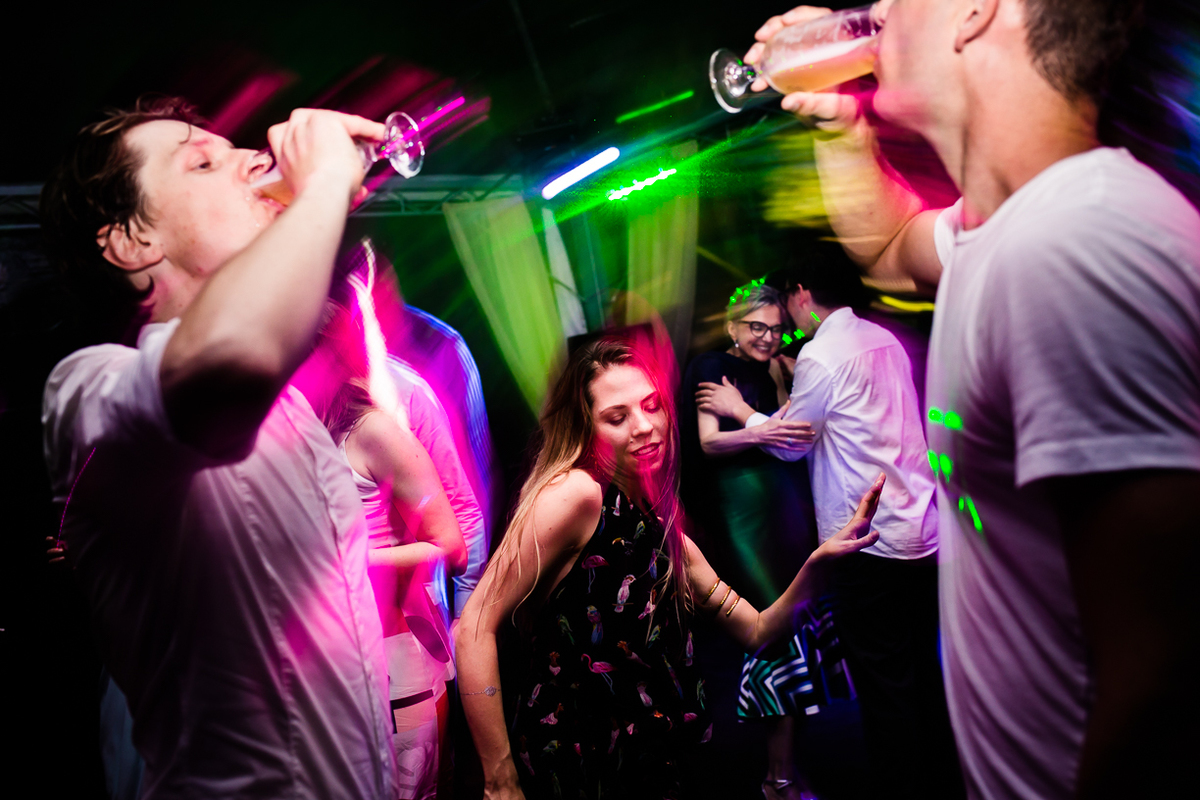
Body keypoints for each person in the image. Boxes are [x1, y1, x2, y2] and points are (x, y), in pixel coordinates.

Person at [751, 2, 1200, 798]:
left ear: (976, 12)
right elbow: (889, 252)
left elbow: (1161, 682)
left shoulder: (1078, 247)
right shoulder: (1004, 227)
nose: (875, 11)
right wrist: (839, 131)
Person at [39, 97, 397, 798]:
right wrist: (322, 182)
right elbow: (229, 355)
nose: (253, 159)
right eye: (203, 162)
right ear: (132, 243)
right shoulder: (85, 388)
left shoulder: (290, 407)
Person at [455, 335, 887, 800]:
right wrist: (499, 780)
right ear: (586, 429)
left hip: (647, 758)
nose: (645, 426)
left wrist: (817, 568)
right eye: (617, 417)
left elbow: (758, 630)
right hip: (579, 760)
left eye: (651, 405)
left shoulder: (660, 527)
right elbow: (473, 629)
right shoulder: (575, 494)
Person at [697, 255, 959, 799]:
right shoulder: (882, 338)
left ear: (800, 293)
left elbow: (793, 444)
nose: (776, 332)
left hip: (867, 539)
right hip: (921, 529)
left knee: (885, 689)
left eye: (780, 316)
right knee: (925, 676)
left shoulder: (821, 353)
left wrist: (739, 411)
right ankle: (948, 782)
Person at [678, 284, 839, 800]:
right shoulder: (709, 365)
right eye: (756, 328)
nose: (768, 338)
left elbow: (794, 427)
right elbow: (708, 441)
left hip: (786, 505)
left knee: (800, 625)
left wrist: (786, 392)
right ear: (731, 326)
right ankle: (779, 777)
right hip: (745, 513)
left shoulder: (775, 366)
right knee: (776, 630)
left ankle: (785, 768)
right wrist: (757, 428)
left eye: (774, 327)